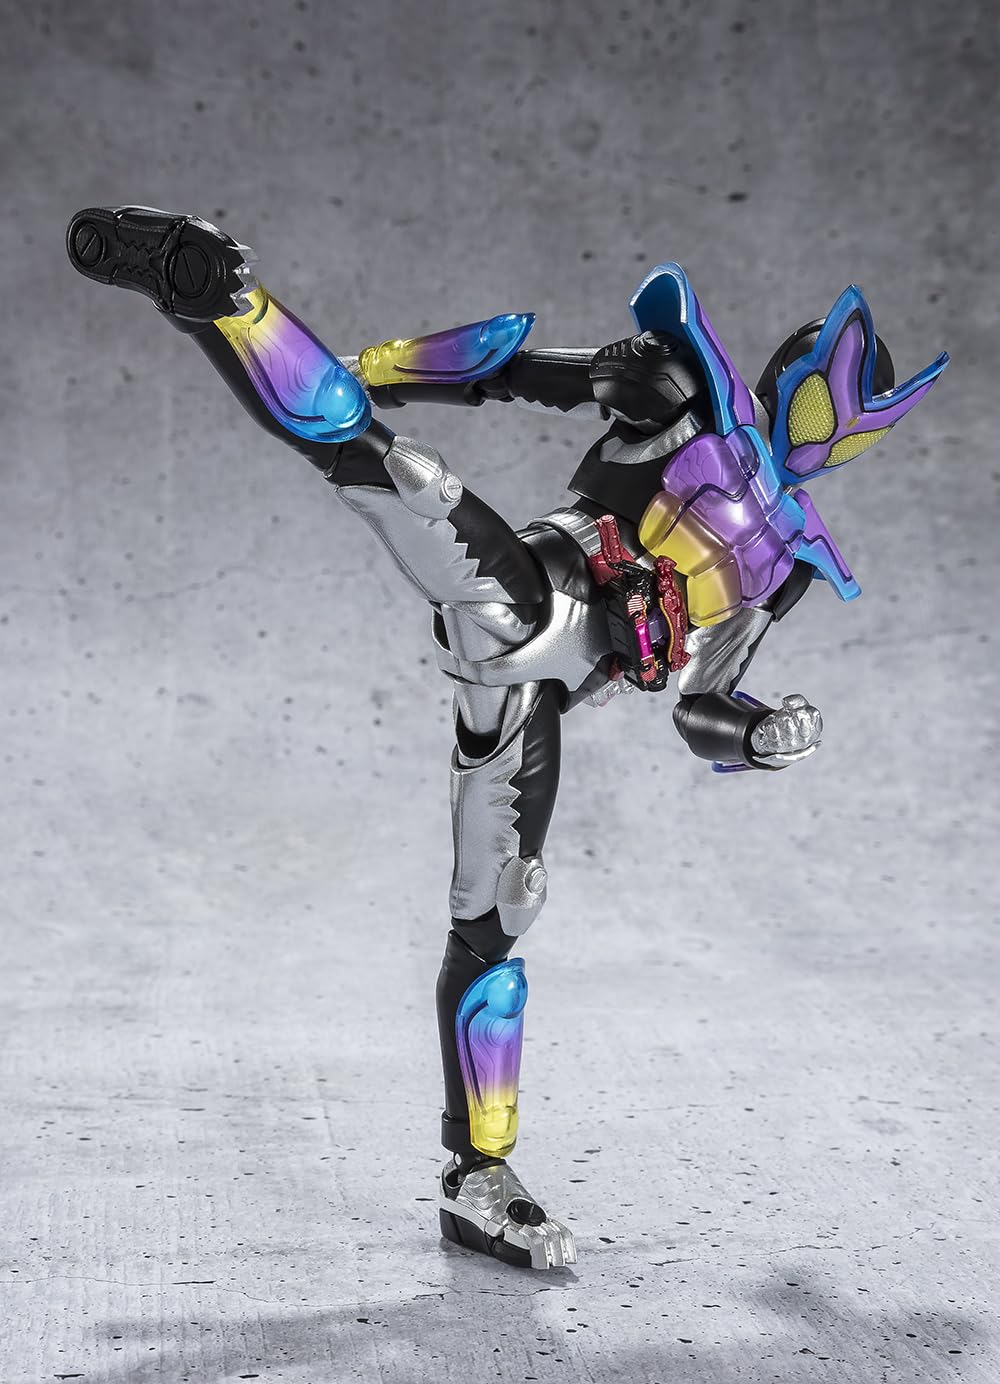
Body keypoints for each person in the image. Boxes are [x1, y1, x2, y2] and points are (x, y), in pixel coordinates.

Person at [66, 205, 947, 1269]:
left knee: (496, 919)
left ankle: (477, 1178)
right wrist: (379, 369)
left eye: (858, 417)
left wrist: (759, 736)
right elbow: (512, 369)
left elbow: (703, 706)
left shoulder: (787, 561)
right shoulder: (687, 402)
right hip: (531, 591)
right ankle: (223, 300)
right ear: (790, 374)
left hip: (543, 697)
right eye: (827, 392)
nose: (833, 421)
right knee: (396, 472)